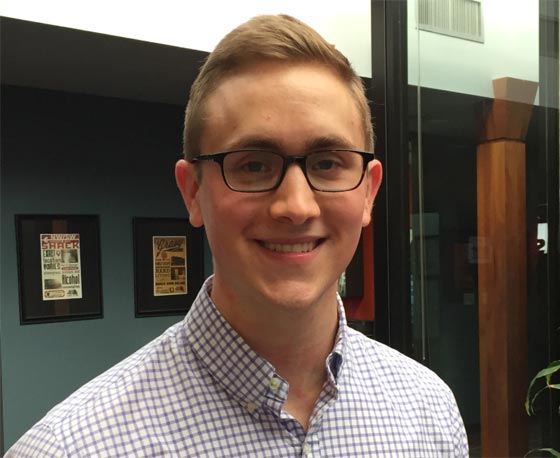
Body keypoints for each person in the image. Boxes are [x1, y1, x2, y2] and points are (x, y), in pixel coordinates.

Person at [8, 14, 469, 457]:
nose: (296, 207)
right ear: (193, 192)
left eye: (328, 163)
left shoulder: (429, 412)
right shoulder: (70, 449)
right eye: (253, 165)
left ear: (368, 192)